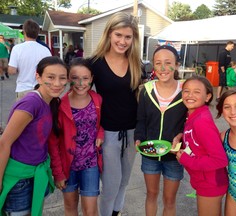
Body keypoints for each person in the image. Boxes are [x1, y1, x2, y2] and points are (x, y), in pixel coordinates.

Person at [0, 56, 68, 215]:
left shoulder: (50, 101)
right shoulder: (31, 103)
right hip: (19, 179)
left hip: (35, 174)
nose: (57, 83)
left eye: (62, 78)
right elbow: (4, 143)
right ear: (38, 76)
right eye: (50, 77)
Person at [89, 12, 142, 216]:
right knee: (110, 185)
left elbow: (140, 97)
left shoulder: (136, 63)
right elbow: (81, 96)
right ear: (109, 34)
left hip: (132, 132)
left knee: (124, 182)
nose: (122, 41)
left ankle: (115, 213)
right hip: (107, 134)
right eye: (118, 35)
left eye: (128, 37)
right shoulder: (94, 63)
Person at [134, 45, 187, 216]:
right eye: (158, 63)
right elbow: (141, 120)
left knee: (169, 200)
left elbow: (192, 123)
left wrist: (182, 137)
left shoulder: (187, 91)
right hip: (150, 153)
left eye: (168, 63)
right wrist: (139, 138)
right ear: (153, 67)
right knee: (151, 194)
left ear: (177, 65)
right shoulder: (146, 90)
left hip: (174, 156)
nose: (163, 68)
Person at [48, 58, 104, 216]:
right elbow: (53, 142)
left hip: (90, 164)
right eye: (74, 78)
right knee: (70, 207)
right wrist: (58, 172)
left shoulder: (97, 99)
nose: (80, 83)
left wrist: (100, 134)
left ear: (92, 79)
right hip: (68, 166)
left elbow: (100, 124)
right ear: (67, 79)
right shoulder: (59, 105)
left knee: (91, 210)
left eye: (85, 78)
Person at [176, 76, 228, 216]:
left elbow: (220, 159)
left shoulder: (201, 121)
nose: (190, 95)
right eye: (186, 91)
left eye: (197, 92)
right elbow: (197, 143)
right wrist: (180, 141)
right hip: (204, 180)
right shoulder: (193, 115)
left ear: (208, 96)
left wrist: (185, 160)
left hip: (211, 183)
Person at [8, 19, 51, 100]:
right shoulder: (45, 50)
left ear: (24, 32)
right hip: (42, 89)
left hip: (23, 89)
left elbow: (12, 71)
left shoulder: (17, 49)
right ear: (38, 33)